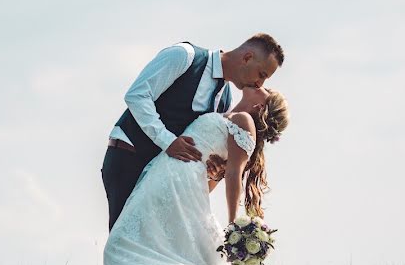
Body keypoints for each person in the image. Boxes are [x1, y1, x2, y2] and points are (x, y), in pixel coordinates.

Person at [103, 86, 290, 265]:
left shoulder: (244, 121)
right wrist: (213, 170)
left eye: (266, 89)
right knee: (150, 242)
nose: (261, 84)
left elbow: (234, 173)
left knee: (123, 243)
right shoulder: (226, 111)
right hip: (167, 175)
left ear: (260, 107)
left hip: (177, 181)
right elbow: (215, 175)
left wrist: (233, 224)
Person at [102, 34, 284, 232]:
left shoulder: (225, 99)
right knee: (125, 241)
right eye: (262, 74)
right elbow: (137, 95)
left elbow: (197, 139)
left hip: (161, 175)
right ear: (247, 58)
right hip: (130, 154)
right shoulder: (184, 56)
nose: (260, 83)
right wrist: (168, 141)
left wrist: (211, 165)